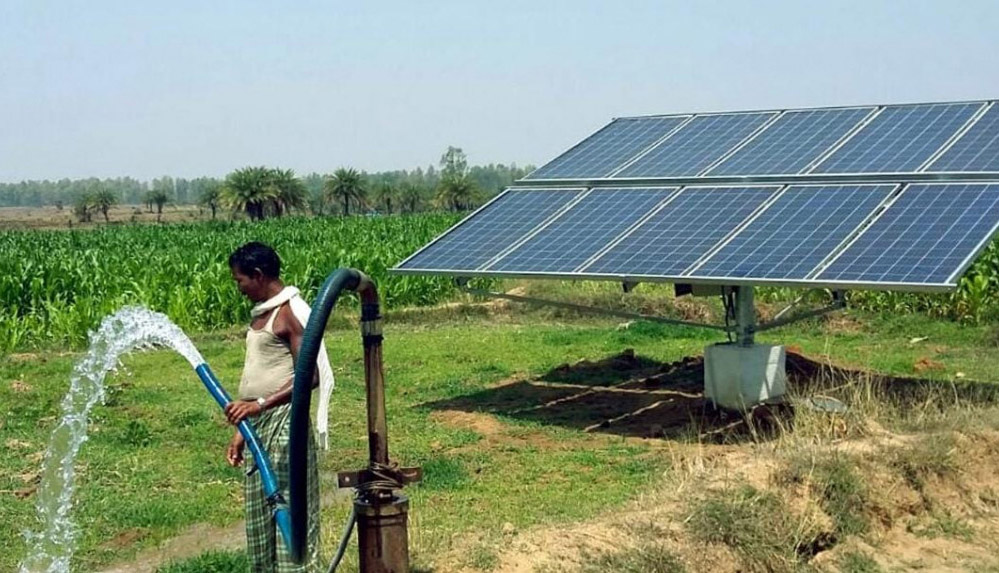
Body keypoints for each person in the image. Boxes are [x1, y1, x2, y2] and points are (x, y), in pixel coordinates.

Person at [225, 241, 333, 572]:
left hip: (285, 427)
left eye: (240, 280)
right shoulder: (262, 314)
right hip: (258, 427)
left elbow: (308, 375)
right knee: (260, 512)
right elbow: (259, 374)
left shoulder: (288, 314)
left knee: (288, 505)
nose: (239, 288)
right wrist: (243, 430)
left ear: (258, 275)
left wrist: (259, 405)